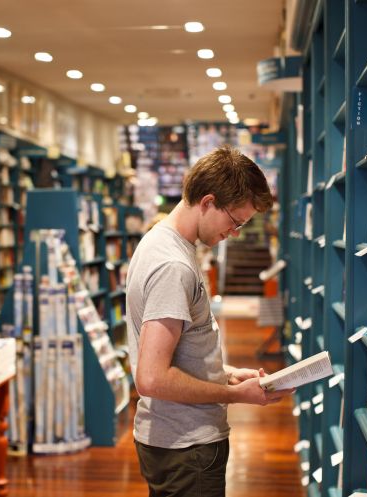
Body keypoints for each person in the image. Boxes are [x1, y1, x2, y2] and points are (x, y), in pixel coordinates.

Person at [126, 145, 294, 497]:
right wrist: (233, 394)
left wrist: (228, 372)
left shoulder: (165, 245)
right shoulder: (173, 265)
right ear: (207, 202)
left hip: (180, 443)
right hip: (186, 447)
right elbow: (152, 377)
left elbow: (179, 351)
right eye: (235, 221)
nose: (234, 233)